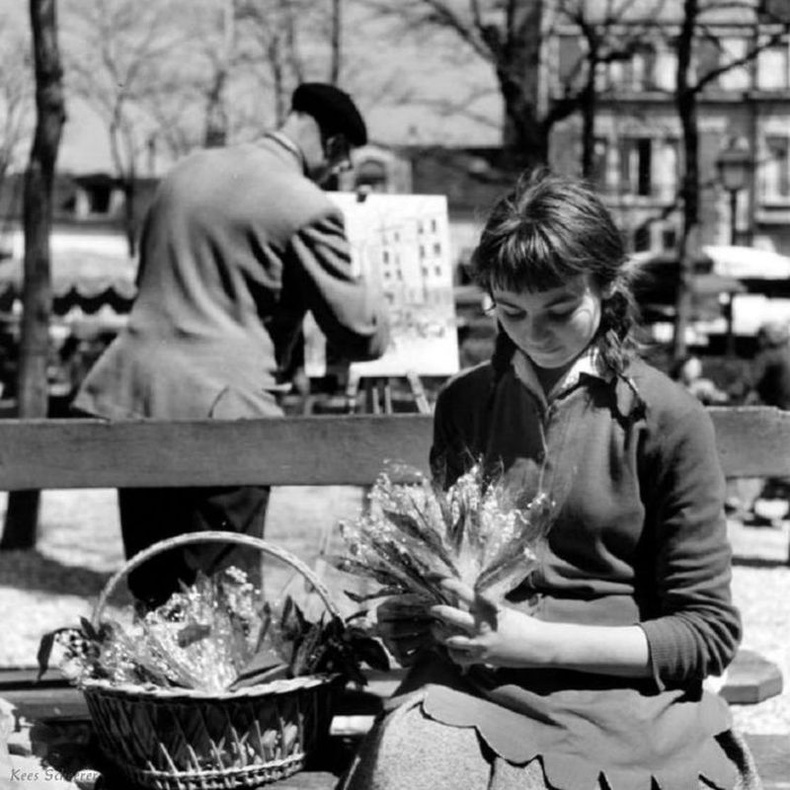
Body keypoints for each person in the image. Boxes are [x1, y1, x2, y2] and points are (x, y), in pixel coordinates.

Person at [340, 172, 759, 790]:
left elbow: (705, 632)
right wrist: (417, 617)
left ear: (609, 286)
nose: (534, 333)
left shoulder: (665, 416)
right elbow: (452, 572)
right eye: (510, 311)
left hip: (619, 693)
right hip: (476, 683)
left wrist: (535, 644)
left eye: (560, 309)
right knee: (409, 770)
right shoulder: (466, 402)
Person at [73, 83, 390, 608]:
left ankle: (151, 690)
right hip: (226, 413)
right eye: (342, 164)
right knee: (225, 598)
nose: (336, 175)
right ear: (333, 147)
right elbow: (360, 334)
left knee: (155, 585)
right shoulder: (305, 204)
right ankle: (216, 692)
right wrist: (376, 282)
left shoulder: (184, 172)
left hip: (136, 402)